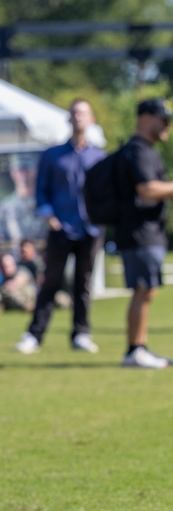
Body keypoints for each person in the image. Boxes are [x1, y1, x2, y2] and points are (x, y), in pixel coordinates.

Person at [15, 99, 107, 355]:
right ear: (68, 119)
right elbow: (41, 191)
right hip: (60, 228)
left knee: (83, 283)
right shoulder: (53, 155)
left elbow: (106, 194)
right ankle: (34, 335)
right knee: (51, 281)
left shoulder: (99, 157)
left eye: (83, 113)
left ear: (91, 119)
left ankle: (81, 334)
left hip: (90, 230)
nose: (78, 117)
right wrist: (49, 216)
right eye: (74, 113)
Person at [115, 98, 172, 368]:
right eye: (164, 120)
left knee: (146, 290)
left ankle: (139, 347)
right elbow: (147, 190)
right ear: (147, 117)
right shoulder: (138, 151)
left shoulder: (146, 150)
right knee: (143, 289)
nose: (168, 128)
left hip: (147, 231)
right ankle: (135, 349)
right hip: (140, 232)